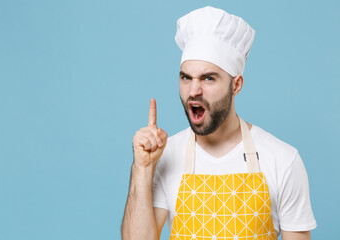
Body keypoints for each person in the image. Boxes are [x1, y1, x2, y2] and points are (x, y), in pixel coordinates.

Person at [121, 6, 316, 240]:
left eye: (208, 78)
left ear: (236, 85)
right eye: (186, 78)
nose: (194, 90)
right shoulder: (166, 155)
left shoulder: (283, 160)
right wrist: (141, 169)